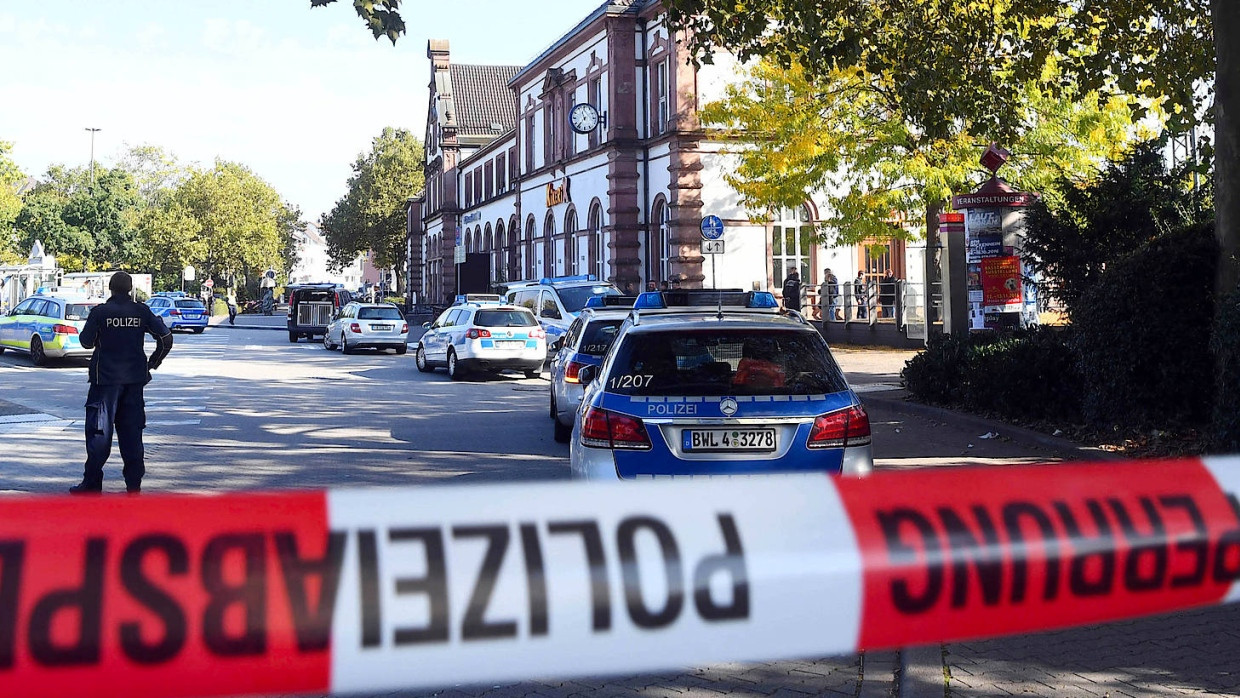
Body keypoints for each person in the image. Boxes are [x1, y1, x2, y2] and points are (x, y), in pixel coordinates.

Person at [70, 271, 174, 495]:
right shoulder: (141, 311)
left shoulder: (100, 312)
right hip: (134, 381)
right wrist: (153, 362)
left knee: (99, 434)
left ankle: (92, 485)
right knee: (132, 434)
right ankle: (133, 487)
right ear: (130, 289)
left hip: (105, 382)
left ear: (110, 288)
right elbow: (166, 338)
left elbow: (86, 342)